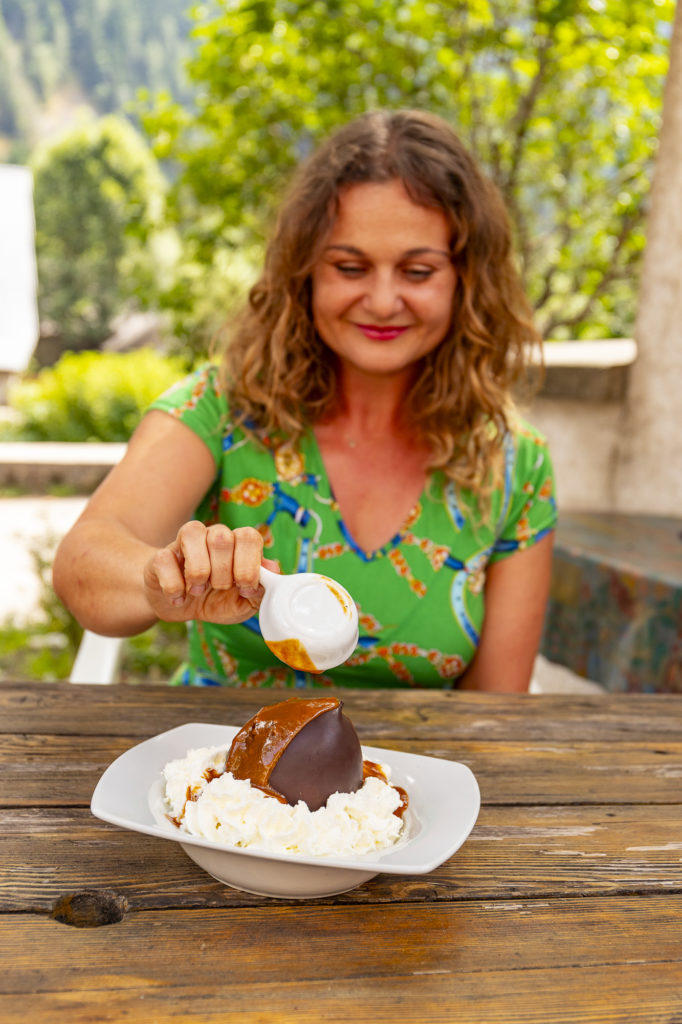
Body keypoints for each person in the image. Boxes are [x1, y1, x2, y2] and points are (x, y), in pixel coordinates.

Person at [53, 109, 557, 692]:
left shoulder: (517, 466)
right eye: (350, 267)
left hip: (410, 781)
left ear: (465, 281)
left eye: (418, 271)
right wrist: (159, 579)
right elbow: (82, 564)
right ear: (304, 273)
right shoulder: (221, 409)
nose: (384, 300)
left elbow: (493, 717)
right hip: (217, 774)